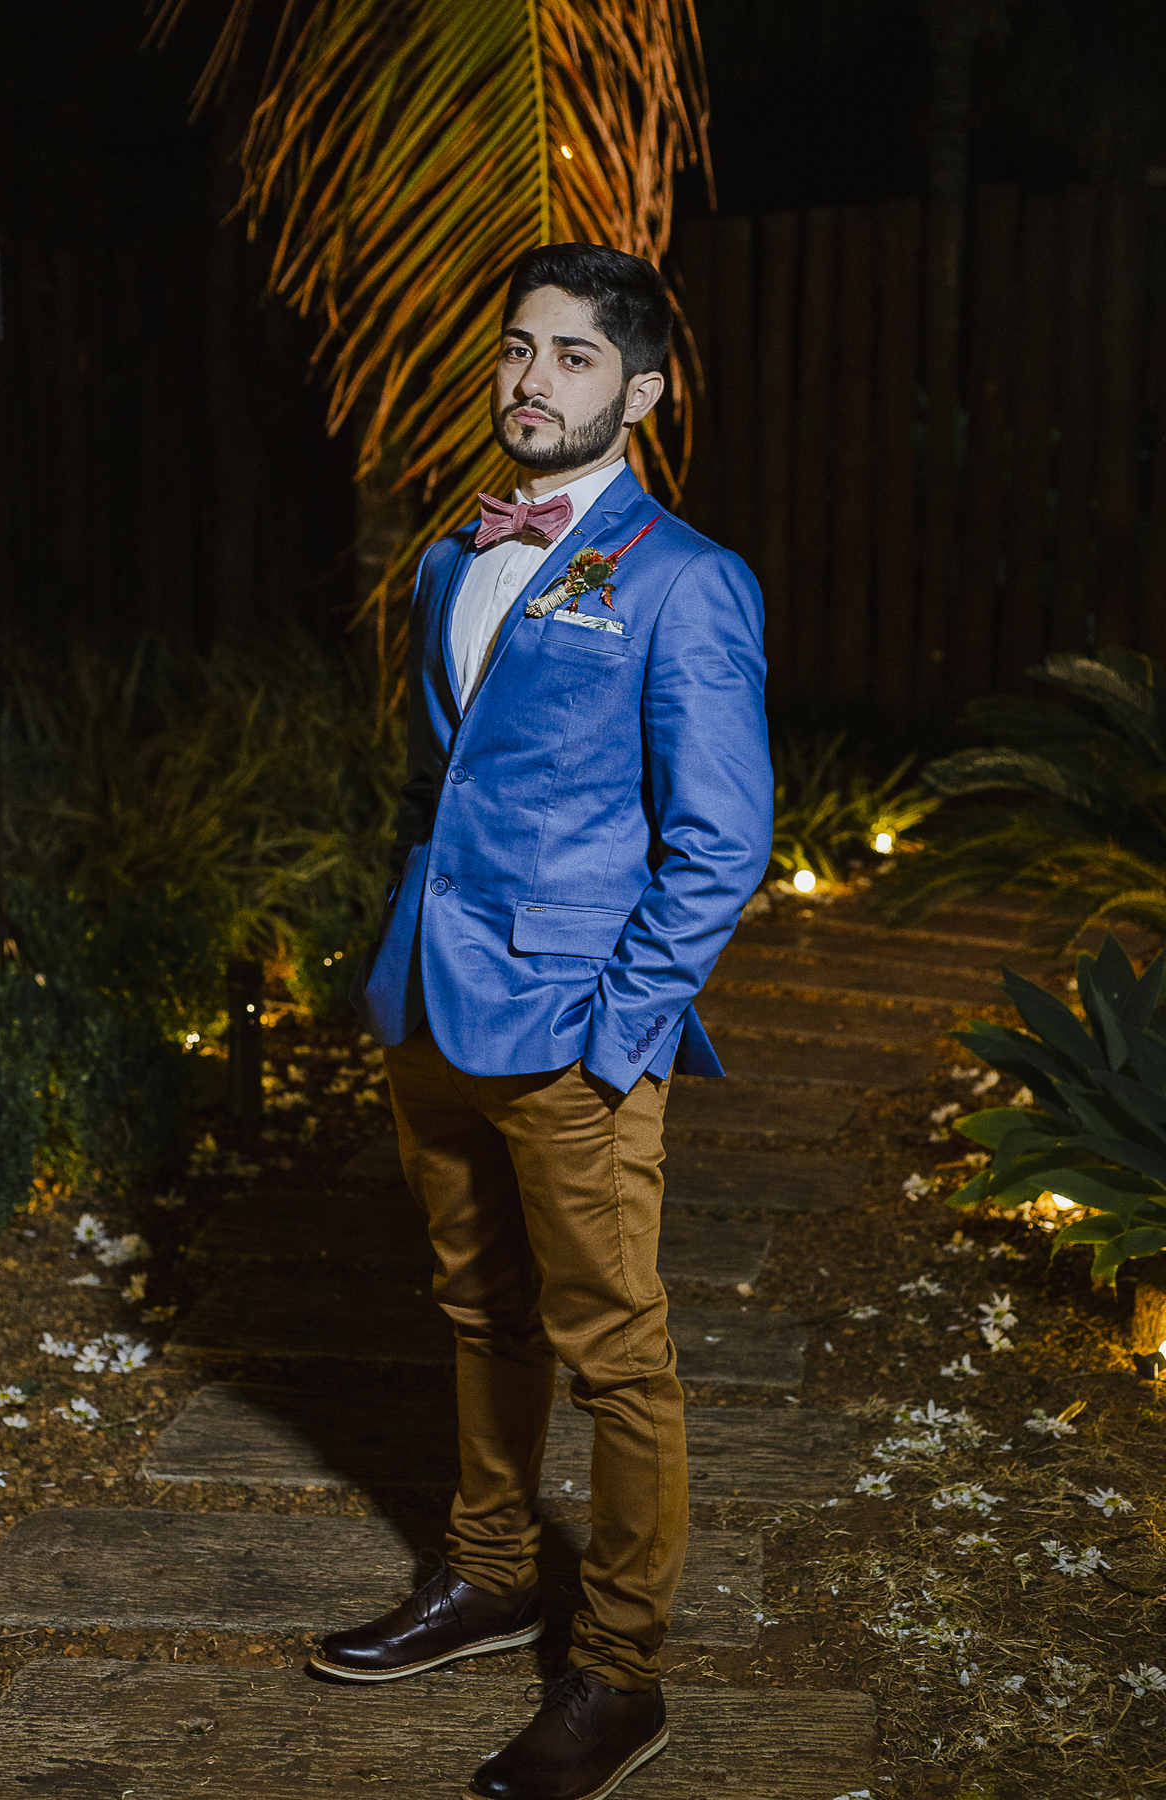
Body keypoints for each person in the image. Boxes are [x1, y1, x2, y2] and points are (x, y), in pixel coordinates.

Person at [312, 242, 773, 1800]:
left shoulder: (690, 582)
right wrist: (399, 962)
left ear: (642, 395)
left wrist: (621, 1027)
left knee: (617, 1358)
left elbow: (721, 841)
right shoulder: (453, 559)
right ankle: (490, 1573)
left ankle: (621, 1673)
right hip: (431, 1011)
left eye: (573, 356)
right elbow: (446, 786)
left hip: (575, 1032)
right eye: (519, 347)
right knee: (474, 1311)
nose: (531, 378)